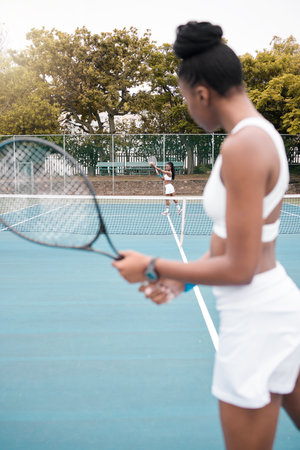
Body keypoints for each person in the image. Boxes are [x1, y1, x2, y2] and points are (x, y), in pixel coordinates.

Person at [113, 21, 300, 449]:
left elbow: (240, 268)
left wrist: (153, 266)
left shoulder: (242, 147)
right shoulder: (255, 136)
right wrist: (184, 277)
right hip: (275, 312)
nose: (188, 108)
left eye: (184, 98)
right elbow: (224, 245)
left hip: (256, 323)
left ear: (201, 93)